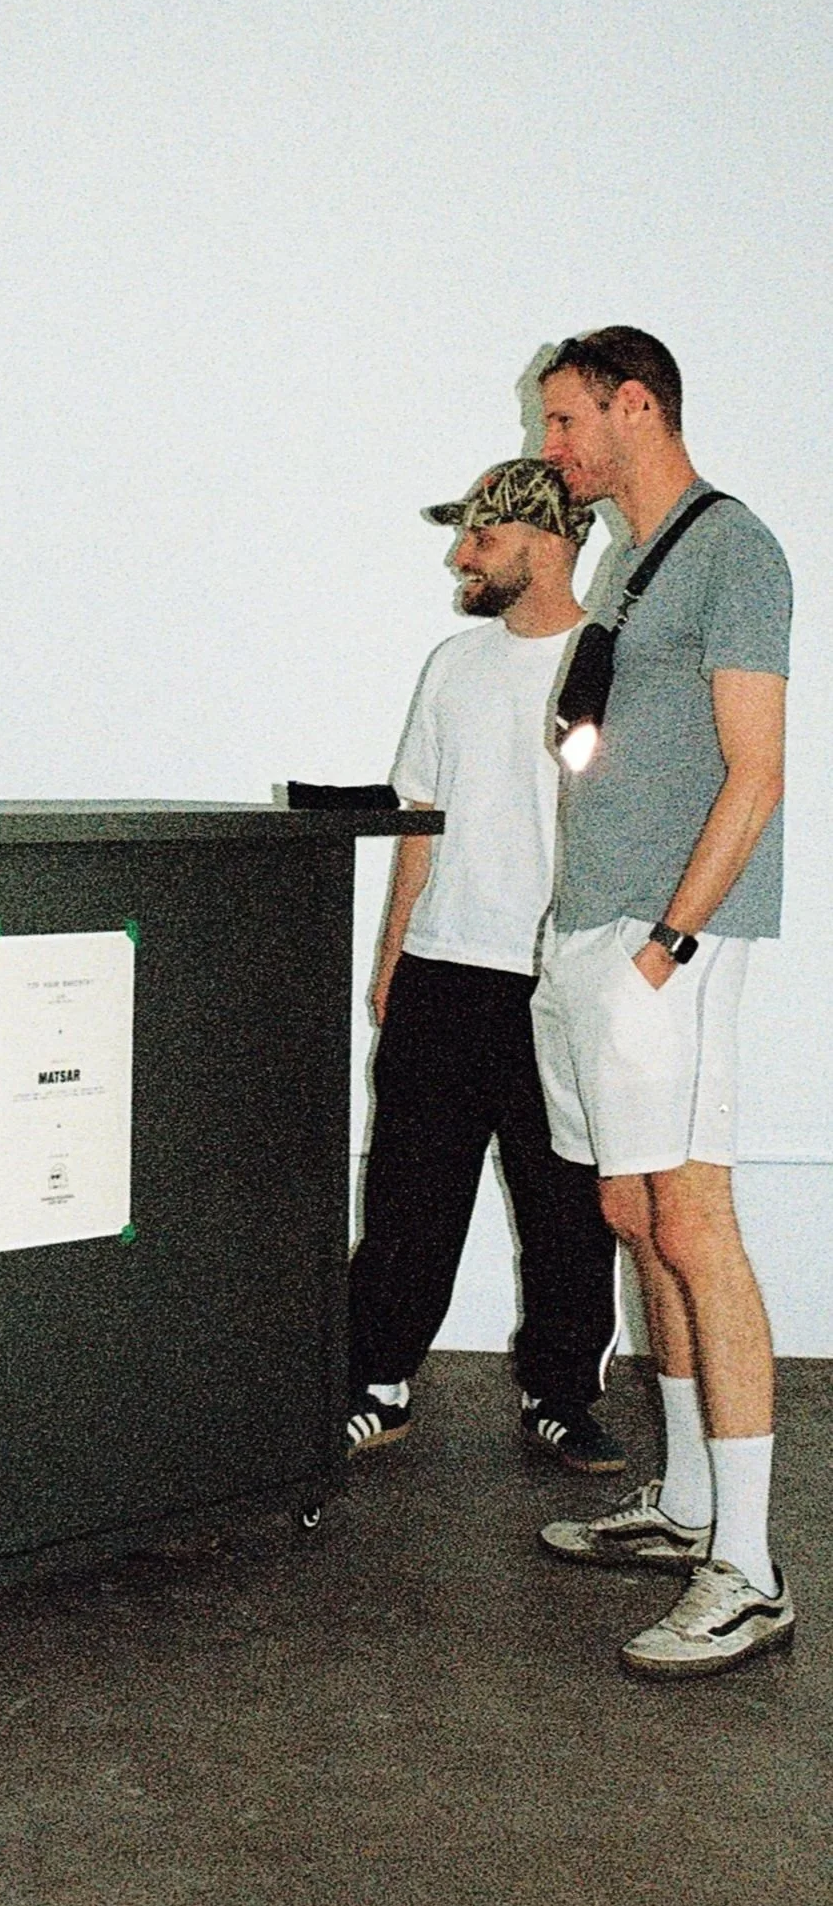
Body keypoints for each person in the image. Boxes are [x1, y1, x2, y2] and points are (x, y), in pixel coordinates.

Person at [534, 327, 793, 1677]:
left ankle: (748, 1571)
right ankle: (689, 1499)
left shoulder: (734, 548)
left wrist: (668, 950)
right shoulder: (635, 565)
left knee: (696, 1218)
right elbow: (606, 748)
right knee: (635, 1212)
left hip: (662, 946)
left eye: (566, 421)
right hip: (595, 929)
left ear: (636, 407)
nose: (549, 450)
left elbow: (759, 771)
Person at [347, 458, 621, 1473]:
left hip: (558, 978)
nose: (462, 556)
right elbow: (421, 817)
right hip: (442, 969)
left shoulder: (612, 658)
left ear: (548, 543)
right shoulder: (452, 667)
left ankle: (561, 1394)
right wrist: (391, 953)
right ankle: (376, 1381)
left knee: (564, 1201)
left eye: (483, 538)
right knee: (410, 1195)